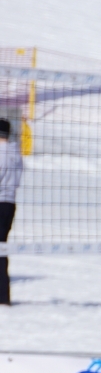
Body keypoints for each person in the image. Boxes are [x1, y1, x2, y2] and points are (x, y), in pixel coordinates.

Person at [0, 119, 18, 306]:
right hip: (10, 204)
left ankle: (2, 297)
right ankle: (3, 295)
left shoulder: (1, 153)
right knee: (1, 250)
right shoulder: (15, 153)